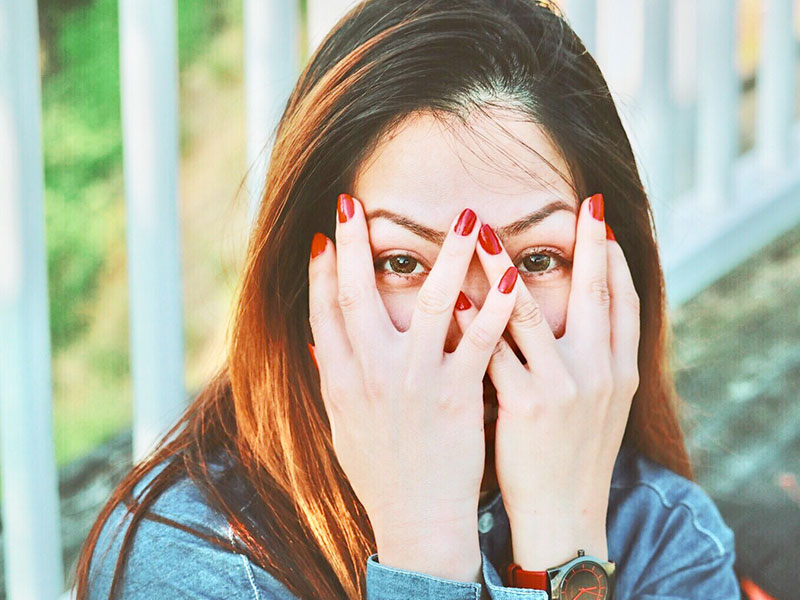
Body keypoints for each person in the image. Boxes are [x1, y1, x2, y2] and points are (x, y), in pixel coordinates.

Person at [74, 0, 741, 598]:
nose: (477, 331)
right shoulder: (191, 561)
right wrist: (426, 543)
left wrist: (561, 549)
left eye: (537, 260)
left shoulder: (666, 538)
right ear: (309, 284)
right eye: (404, 263)